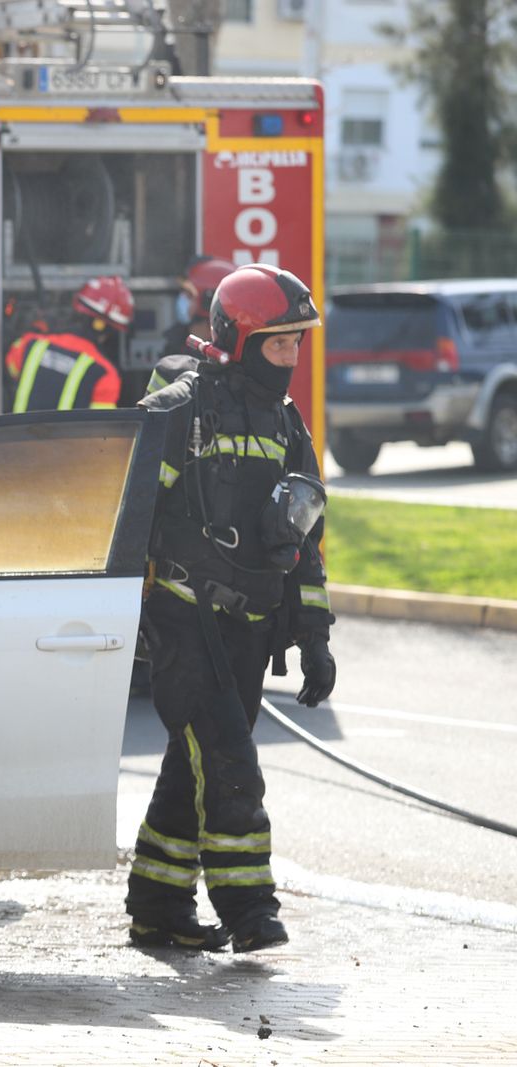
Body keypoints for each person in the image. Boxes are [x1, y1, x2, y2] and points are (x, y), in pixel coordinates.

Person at [126, 263, 336, 954]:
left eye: (297, 345)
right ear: (241, 340)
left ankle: (158, 905)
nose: (292, 358)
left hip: (251, 629)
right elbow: (126, 516)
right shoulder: (180, 411)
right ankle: (250, 910)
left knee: (193, 769)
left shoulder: (285, 422)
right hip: (185, 622)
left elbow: (305, 533)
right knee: (231, 765)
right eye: (279, 345)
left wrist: (314, 632)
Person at [5, 276, 132, 412]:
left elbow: (11, 370)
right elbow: (102, 428)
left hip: (20, 434)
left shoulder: (29, 344)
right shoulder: (105, 375)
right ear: (110, 329)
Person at [160, 255, 236, 361]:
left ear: (209, 300)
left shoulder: (231, 356)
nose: (182, 299)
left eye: (189, 294)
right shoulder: (174, 346)